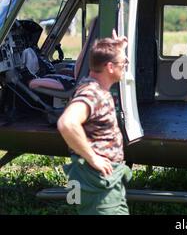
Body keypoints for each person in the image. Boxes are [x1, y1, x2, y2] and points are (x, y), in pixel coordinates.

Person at [57, 30, 132, 215]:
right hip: (97, 180)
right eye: (123, 63)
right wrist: (93, 157)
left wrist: (117, 48)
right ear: (109, 67)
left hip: (107, 179)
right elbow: (67, 123)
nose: (126, 65)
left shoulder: (93, 83)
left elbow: (109, 60)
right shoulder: (92, 93)